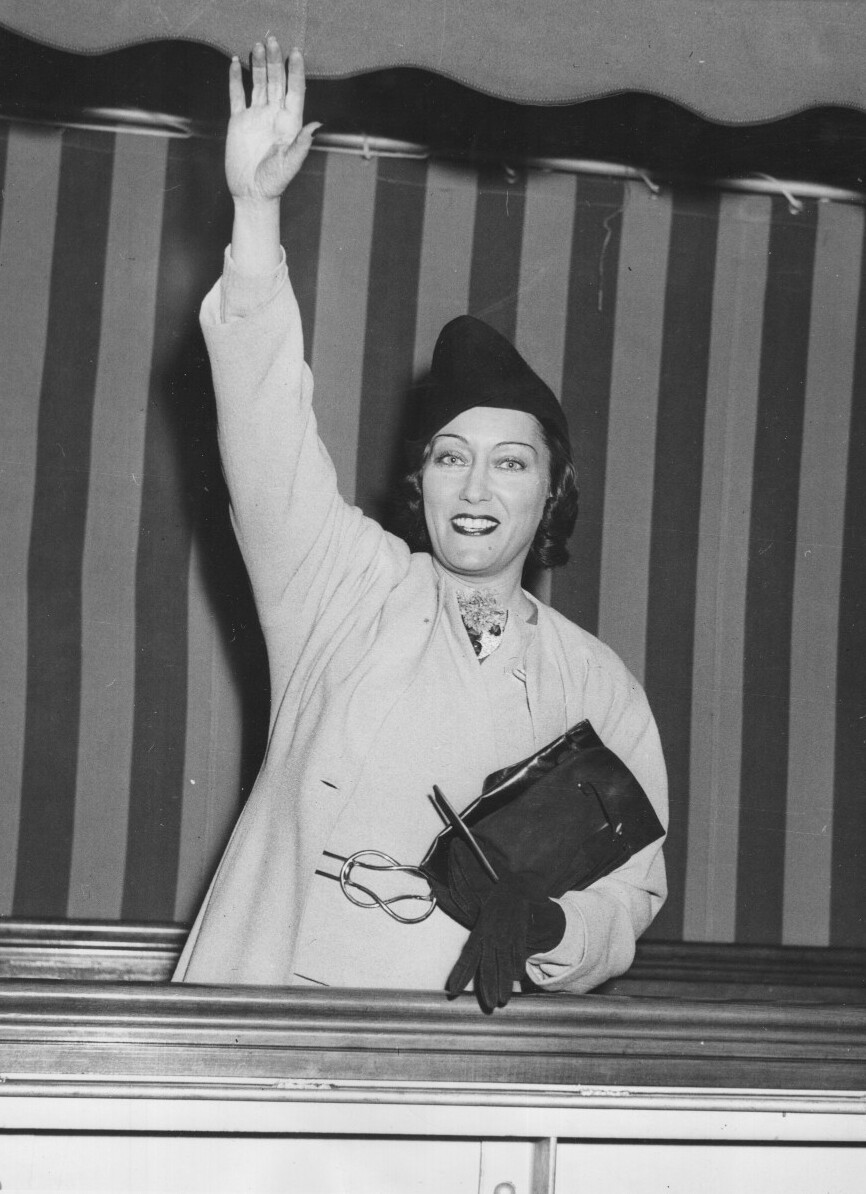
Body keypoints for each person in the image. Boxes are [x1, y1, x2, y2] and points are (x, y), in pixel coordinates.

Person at [173, 36, 668, 1007]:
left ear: (551, 493)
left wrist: (547, 927)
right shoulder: (340, 589)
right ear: (422, 480)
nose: (476, 486)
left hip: (455, 1051)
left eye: (510, 462)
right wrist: (255, 212)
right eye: (451, 456)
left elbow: (625, 901)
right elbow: (266, 428)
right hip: (265, 1016)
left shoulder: (598, 687)